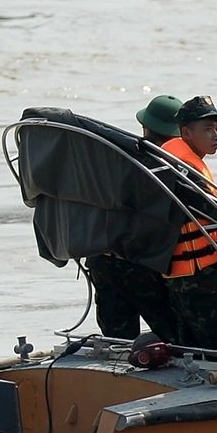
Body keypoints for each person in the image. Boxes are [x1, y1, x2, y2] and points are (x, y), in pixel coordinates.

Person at [86, 92, 185, 340]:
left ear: (144, 126)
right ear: (182, 132)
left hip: (101, 259)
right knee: (175, 334)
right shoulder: (167, 168)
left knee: (117, 340)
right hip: (142, 264)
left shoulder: (116, 158)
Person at [158, 95, 217, 350]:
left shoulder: (178, 160)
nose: (216, 136)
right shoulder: (183, 168)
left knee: (195, 346)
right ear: (186, 132)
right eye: (208, 129)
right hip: (200, 277)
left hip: (191, 275)